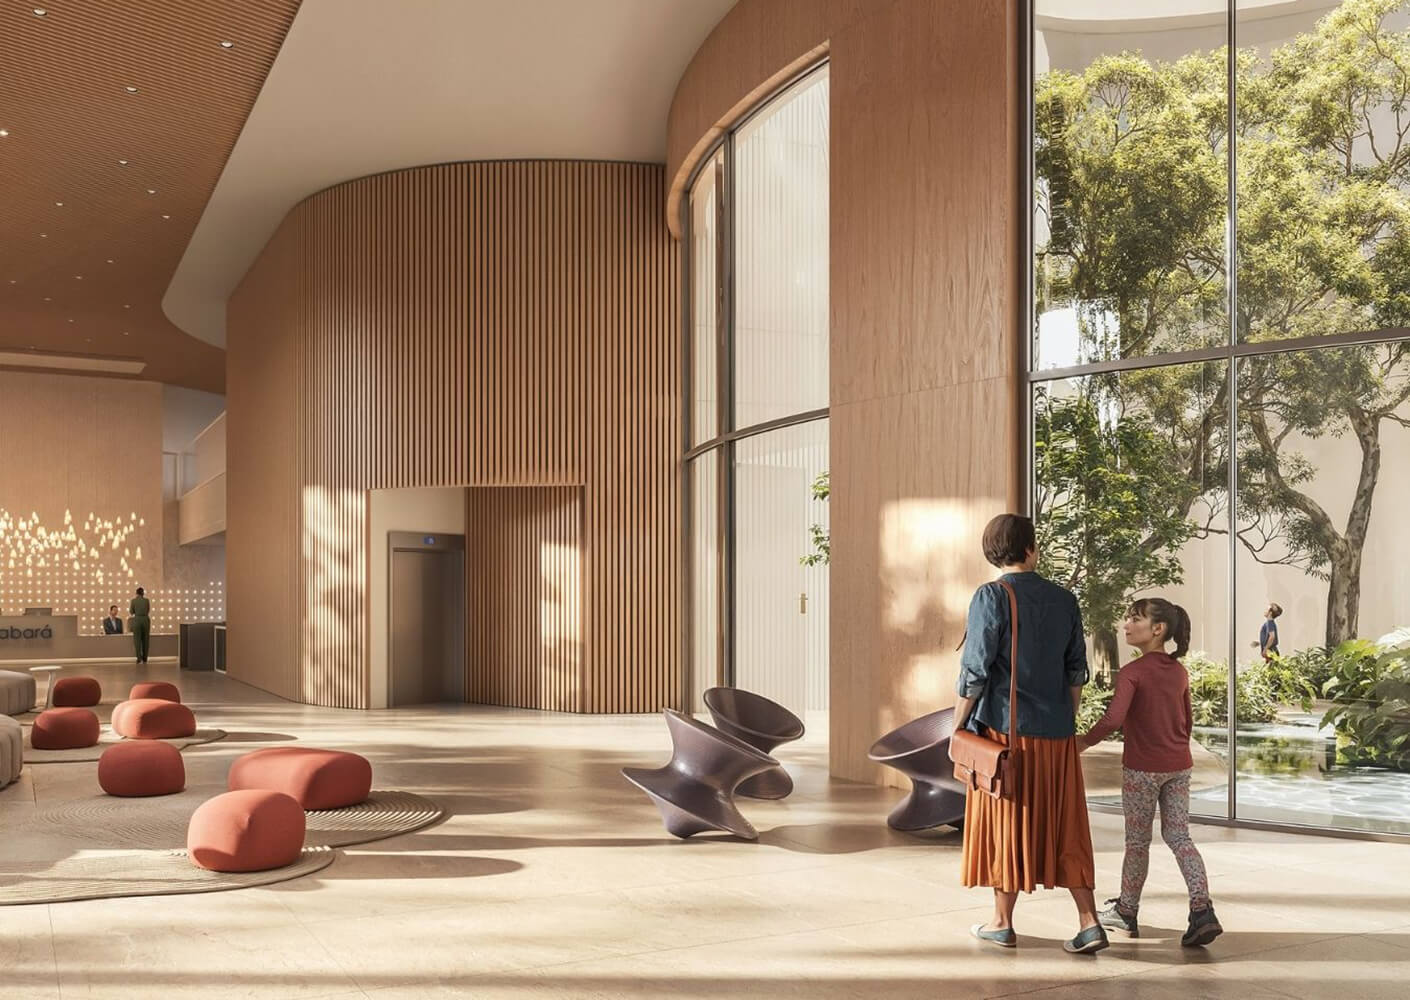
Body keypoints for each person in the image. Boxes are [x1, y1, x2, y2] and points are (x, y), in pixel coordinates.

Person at [953, 513, 1104, 954]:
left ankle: (1001, 921)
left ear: (992, 551)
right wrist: (1064, 718)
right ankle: (1089, 921)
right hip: (1056, 734)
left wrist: (958, 724)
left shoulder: (991, 596)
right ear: (1032, 549)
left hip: (1007, 734)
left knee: (1009, 820)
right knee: (1066, 823)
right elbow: (1076, 670)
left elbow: (976, 671)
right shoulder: (1064, 599)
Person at [1079, 597, 1222, 948]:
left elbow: (1114, 719)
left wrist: (1082, 742)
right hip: (1179, 766)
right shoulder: (1179, 671)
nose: (1126, 625)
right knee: (1180, 838)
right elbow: (1186, 721)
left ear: (1157, 630)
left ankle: (1126, 911)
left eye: (1135, 620)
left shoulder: (1132, 673)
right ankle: (1202, 910)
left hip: (1142, 771)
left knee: (1137, 843)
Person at [129, 586, 151, 664]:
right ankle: (145, 658)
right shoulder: (147, 601)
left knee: (137, 640)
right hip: (146, 619)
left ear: (136, 593)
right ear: (143, 593)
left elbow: (131, 612)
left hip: (137, 619)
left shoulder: (133, 601)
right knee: (146, 639)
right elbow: (148, 610)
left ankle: (139, 658)